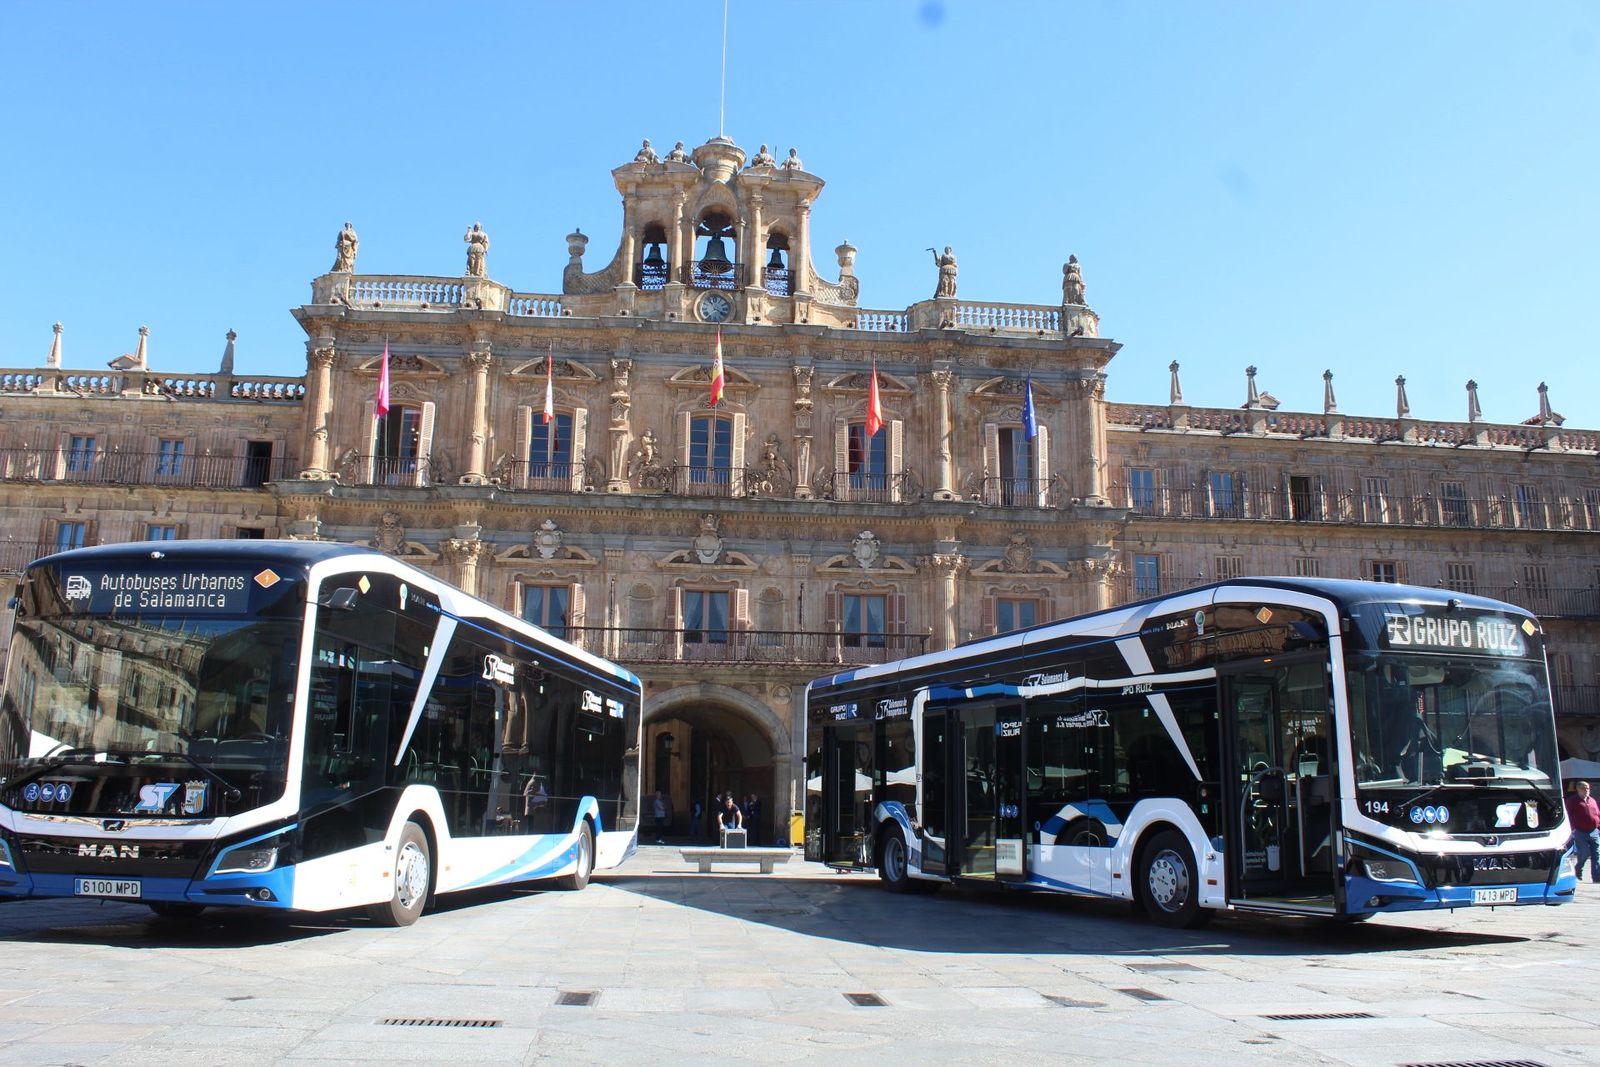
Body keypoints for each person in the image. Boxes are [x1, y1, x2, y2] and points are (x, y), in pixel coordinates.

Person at [1565, 780, 1600, 882]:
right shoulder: (1572, 801)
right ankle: (1578, 869)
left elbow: (1597, 814)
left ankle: (1597, 877)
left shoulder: (1592, 800)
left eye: (1588, 788)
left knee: (1596, 854)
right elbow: (1568, 815)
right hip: (1580, 831)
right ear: (1578, 789)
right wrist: (1572, 829)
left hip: (1594, 831)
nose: (1587, 790)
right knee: (1584, 854)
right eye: (1584, 788)